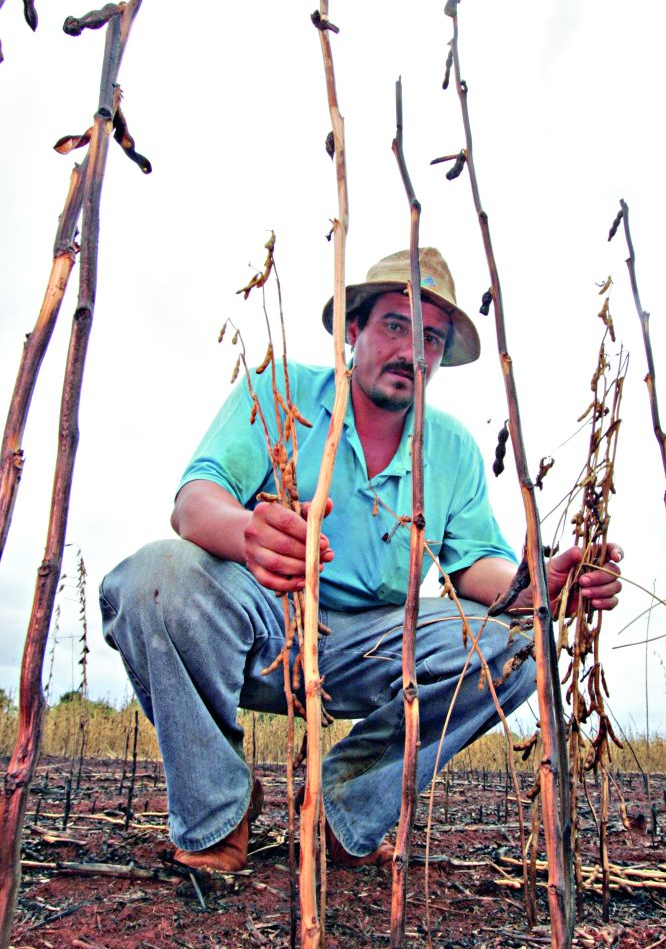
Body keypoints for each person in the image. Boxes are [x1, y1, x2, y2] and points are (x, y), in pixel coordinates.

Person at [100, 249, 622, 873]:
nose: (411, 351)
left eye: (429, 338)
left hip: (373, 651)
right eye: (395, 326)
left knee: (515, 641)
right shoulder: (279, 391)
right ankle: (217, 814)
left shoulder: (451, 447)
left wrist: (539, 587)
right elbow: (195, 502)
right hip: (264, 627)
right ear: (354, 331)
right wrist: (248, 536)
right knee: (157, 577)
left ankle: (337, 809)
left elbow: (474, 569)